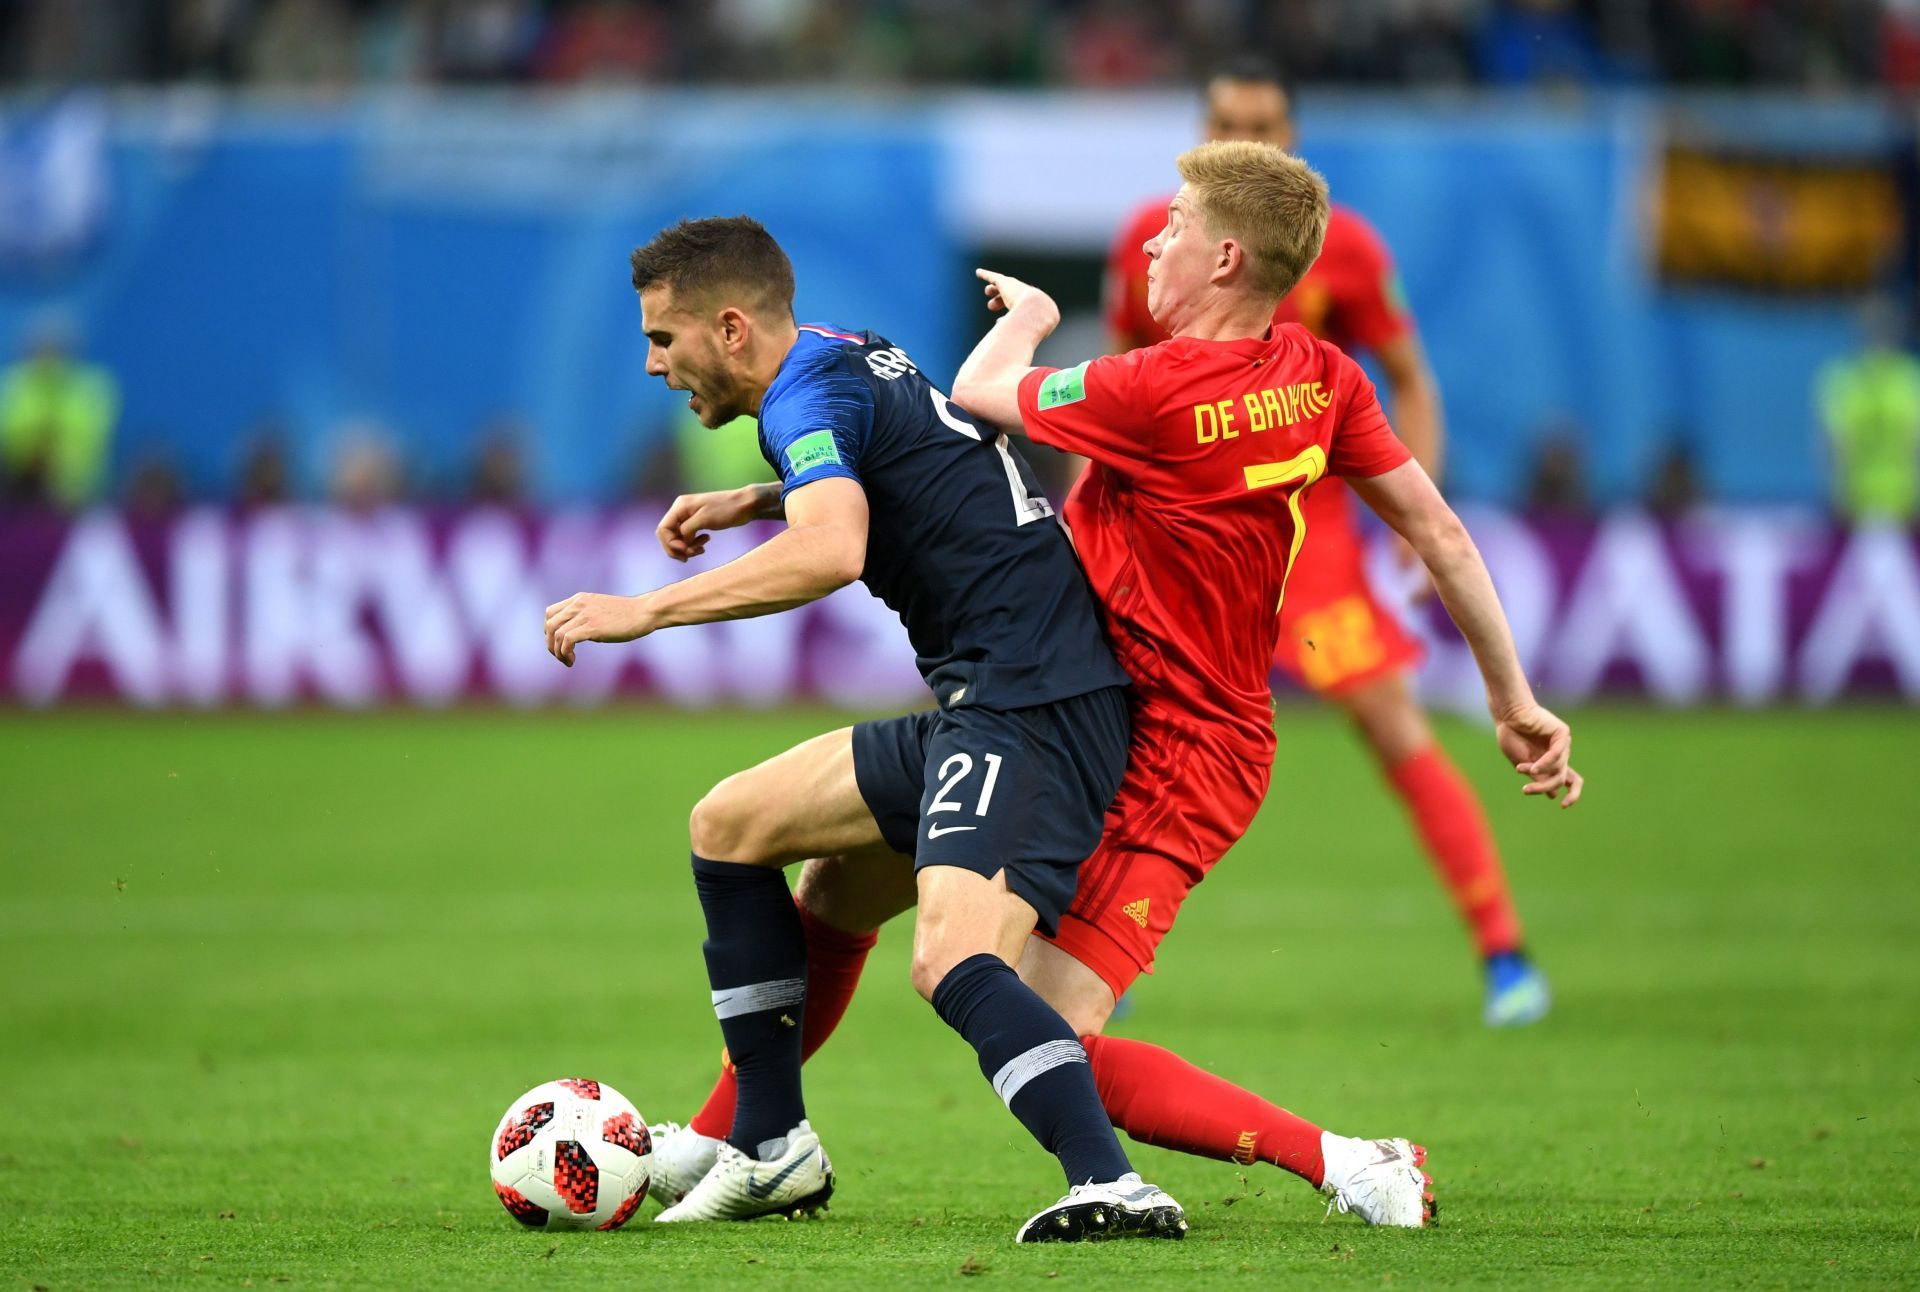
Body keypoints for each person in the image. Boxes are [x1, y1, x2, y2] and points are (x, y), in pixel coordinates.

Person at [652, 143, 1582, 1230]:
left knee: (1047, 1024)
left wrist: (1034, 317)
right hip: (1085, 705)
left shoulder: (1148, 386)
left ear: (1225, 255)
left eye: (1177, 221)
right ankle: (740, 1137)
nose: (1152, 235)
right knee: (837, 888)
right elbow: (1439, 528)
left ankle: (1346, 1160)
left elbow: (973, 396)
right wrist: (1513, 697)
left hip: (1168, 751)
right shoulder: (1321, 377)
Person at [542, 216, 1186, 1243]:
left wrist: (646, 608)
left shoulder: (804, 392)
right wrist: (760, 496)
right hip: (993, 696)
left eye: (666, 339)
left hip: (1030, 706)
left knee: (954, 962)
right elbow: (909, 470)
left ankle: (1112, 1182)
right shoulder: (839, 353)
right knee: (734, 825)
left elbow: (834, 551)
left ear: (734, 327)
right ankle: (771, 1145)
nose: (654, 364)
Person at [1106, 59, 1549, 1025]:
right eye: (1229, 123)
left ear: (1295, 132)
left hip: (1306, 554)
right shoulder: (1153, 236)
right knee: (1118, 741)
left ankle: (1504, 952)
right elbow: (1118, 386)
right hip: (1175, 549)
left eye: (1266, 122)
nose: (1250, 138)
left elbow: (1411, 380)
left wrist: (1408, 523)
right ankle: (1099, 957)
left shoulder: (1338, 248)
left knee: (1394, 729)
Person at [1816, 297, 1920, 524]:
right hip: (1892, 499)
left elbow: (1834, 446)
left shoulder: (1842, 379)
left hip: (1869, 500)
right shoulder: (1910, 377)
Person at [0, 316, 119, 511]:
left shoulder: (92, 386)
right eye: (42, 350)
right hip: (19, 484)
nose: (49, 357)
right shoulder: (10, 384)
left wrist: (49, 441)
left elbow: (91, 437)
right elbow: (10, 438)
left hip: (78, 491)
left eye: (55, 350)